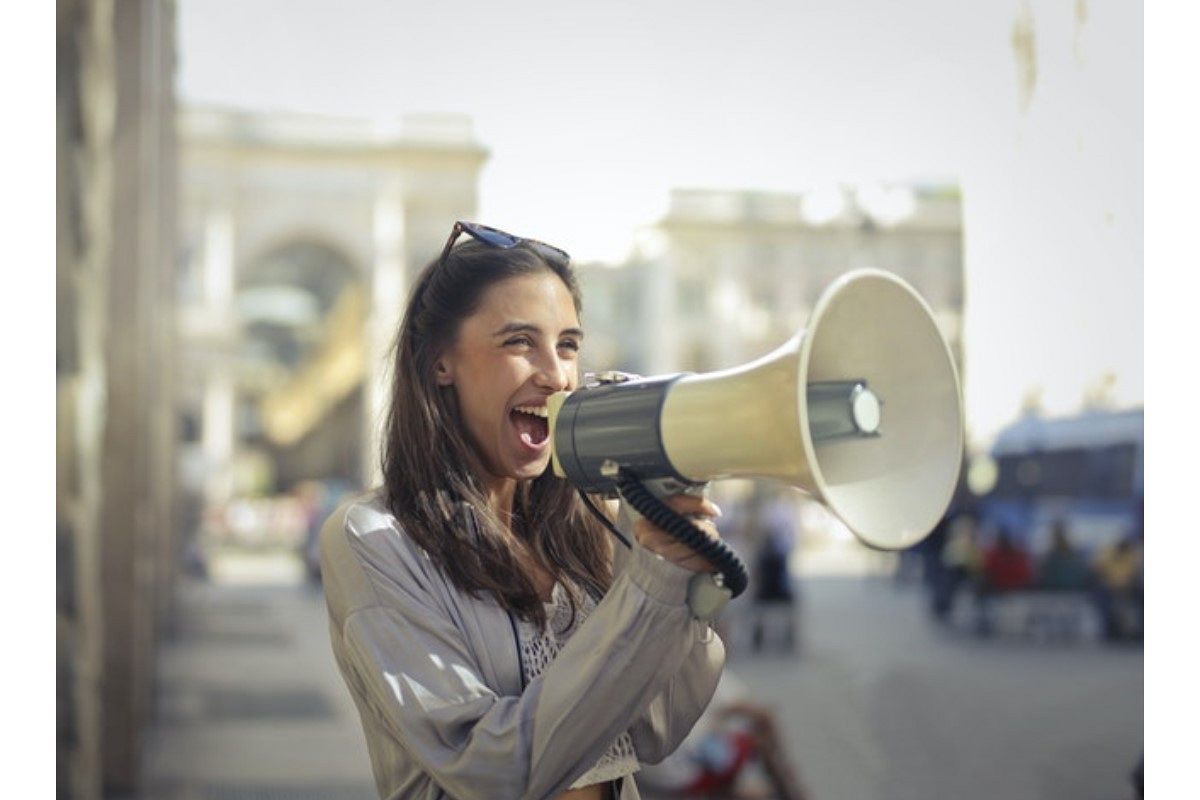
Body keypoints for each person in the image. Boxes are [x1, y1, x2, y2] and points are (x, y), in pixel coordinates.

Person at [319, 221, 727, 800]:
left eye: (567, 345)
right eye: (518, 342)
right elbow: (490, 770)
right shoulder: (374, 538)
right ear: (441, 362)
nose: (556, 374)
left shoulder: (589, 521)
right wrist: (649, 589)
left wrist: (678, 578)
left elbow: (655, 728)